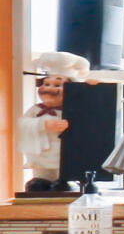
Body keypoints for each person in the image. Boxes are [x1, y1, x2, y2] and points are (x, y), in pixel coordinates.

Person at [17, 50, 94, 194]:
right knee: (39, 182)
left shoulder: (73, 110)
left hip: (63, 154)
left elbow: (90, 122)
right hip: (41, 153)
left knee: (63, 178)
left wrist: (91, 89)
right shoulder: (36, 110)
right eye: (46, 84)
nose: (49, 89)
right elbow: (23, 123)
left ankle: (64, 182)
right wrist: (42, 124)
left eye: (57, 85)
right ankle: (41, 182)